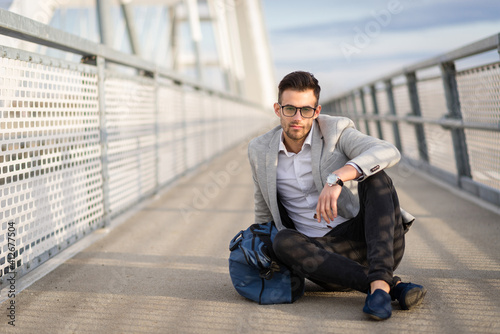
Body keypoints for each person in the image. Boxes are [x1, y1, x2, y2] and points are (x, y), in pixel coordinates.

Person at [247, 71, 426, 320]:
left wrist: (339, 177)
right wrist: (255, 249)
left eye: (305, 110)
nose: (297, 118)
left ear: (317, 111)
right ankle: (386, 287)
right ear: (278, 110)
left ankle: (381, 283)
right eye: (290, 109)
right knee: (283, 240)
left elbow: (388, 151)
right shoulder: (259, 150)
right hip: (322, 259)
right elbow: (263, 209)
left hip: (376, 242)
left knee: (376, 177)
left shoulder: (336, 131)